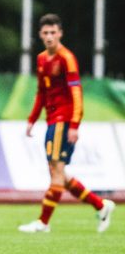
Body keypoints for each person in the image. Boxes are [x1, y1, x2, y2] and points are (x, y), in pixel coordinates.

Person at [18, 13, 114, 233]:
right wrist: (32, 119)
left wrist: (74, 125)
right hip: (52, 121)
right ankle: (101, 206)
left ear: (60, 33)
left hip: (63, 121)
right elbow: (41, 92)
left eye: (53, 32)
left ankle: (43, 222)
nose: (50, 36)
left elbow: (77, 93)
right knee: (58, 173)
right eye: (46, 33)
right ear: (40, 35)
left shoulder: (67, 58)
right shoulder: (42, 59)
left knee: (57, 172)